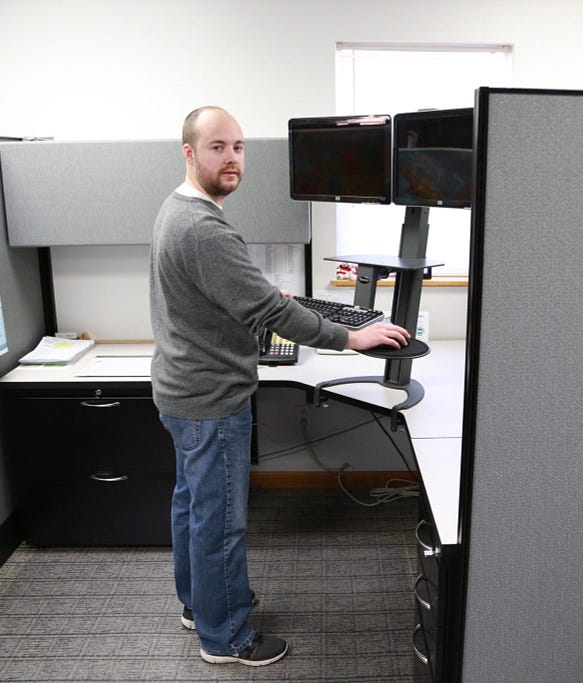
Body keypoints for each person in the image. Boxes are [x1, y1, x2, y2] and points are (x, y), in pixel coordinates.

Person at [149, 105, 410, 667]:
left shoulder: (179, 209)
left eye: (239, 147)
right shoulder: (203, 227)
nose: (233, 158)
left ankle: (201, 605)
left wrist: (265, 303)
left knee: (193, 509)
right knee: (220, 523)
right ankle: (226, 639)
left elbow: (231, 296)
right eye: (218, 147)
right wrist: (352, 338)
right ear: (190, 153)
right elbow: (268, 308)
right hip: (211, 400)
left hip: (182, 391)